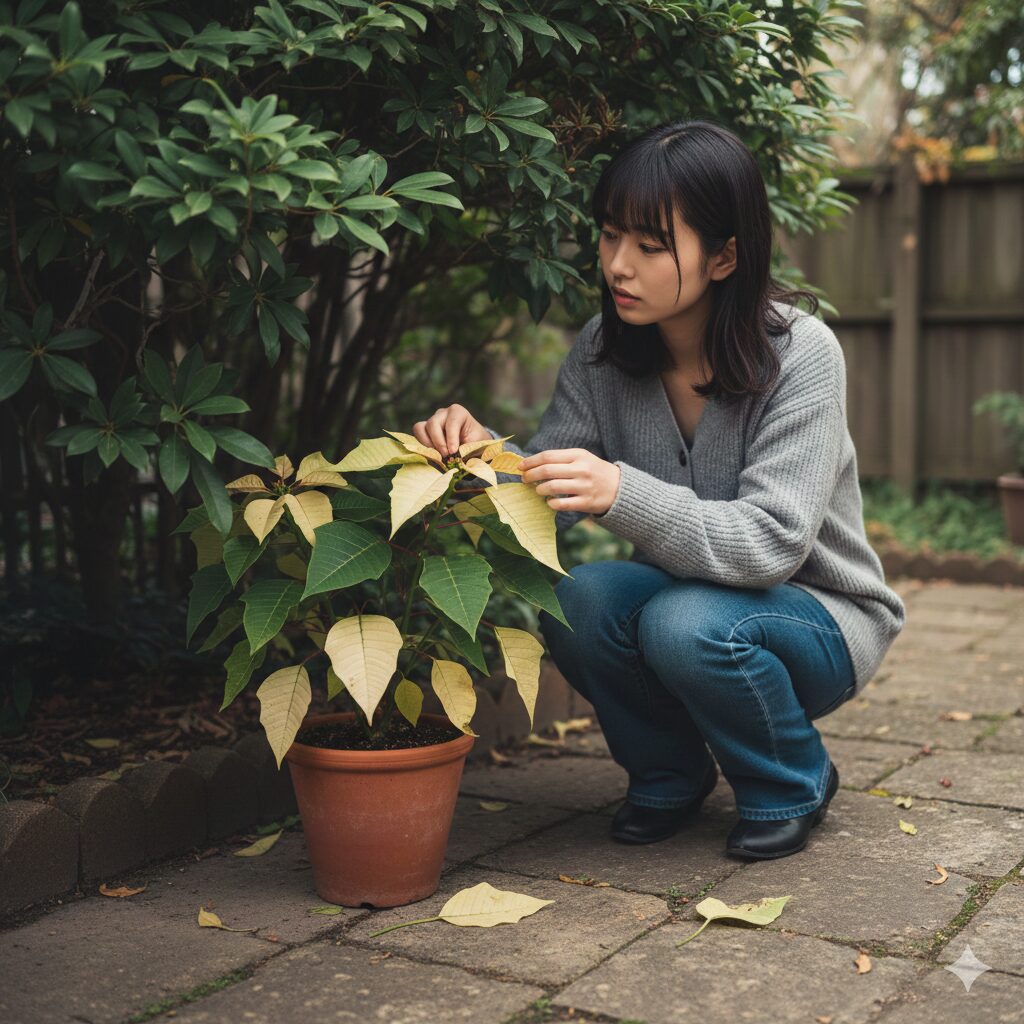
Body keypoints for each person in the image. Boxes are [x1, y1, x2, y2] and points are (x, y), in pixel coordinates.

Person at [411, 118, 906, 861]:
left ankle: (790, 780)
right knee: (577, 597)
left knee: (682, 621)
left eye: (649, 245)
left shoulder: (803, 356)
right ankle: (669, 775)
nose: (617, 265)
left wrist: (622, 492)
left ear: (724, 256)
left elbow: (773, 542)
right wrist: (477, 453)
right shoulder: (604, 350)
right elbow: (547, 474)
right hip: (689, 607)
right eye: (610, 236)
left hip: (820, 620)